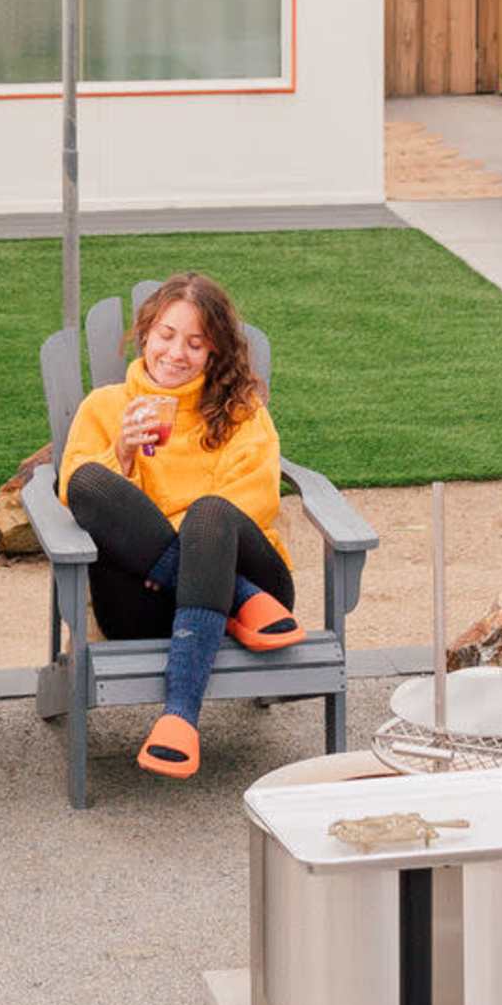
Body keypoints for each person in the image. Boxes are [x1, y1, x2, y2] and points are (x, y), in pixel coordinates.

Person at [55, 271, 305, 777]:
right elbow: (73, 494)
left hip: (261, 579)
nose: (175, 353)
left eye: (195, 343)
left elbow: (256, 499)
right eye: (166, 335)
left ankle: (180, 715)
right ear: (146, 332)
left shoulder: (241, 411)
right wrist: (121, 452)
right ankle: (238, 599)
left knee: (210, 514)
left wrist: (172, 538)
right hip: (148, 605)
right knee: (91, 481)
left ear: (214, 353)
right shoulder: (105, 407)